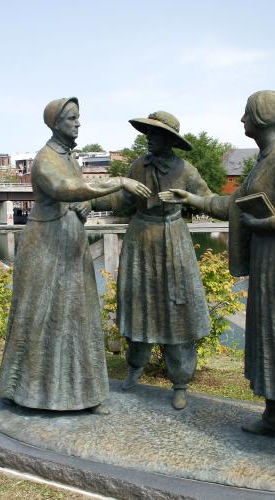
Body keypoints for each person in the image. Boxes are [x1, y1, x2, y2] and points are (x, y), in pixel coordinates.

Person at [159, 90, 275, 471]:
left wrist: (266, 222)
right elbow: (234, 204)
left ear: (260, 118)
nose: (241, 121)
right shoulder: (263, 160)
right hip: (270, 270)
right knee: (274, 349)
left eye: (245, 115)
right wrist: (192, 199)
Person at [0, 97, 150, 414]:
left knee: (78, 318)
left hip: (71, 243)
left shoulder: (70, 158)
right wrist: (118, 180)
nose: (78, 123)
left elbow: (81, 198)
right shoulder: (45, 159)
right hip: (46, 246)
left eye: (79, 118)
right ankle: (34, 393)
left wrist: (128, 198)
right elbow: (66, 189)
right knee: (42, 316)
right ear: (56, 123)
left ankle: (84, 394)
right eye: (71, 118)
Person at [91, 111, 212, 410]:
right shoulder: (137, 166)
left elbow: (207, 200)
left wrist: (194, 201)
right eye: (147, 132)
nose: (148, 138)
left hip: (173, 241)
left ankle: (180, 382)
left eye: (154, 133)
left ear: (169, 139)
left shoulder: (186, 170)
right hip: (140, 239)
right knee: (139, 306)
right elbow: (124, 201)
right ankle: (134, 370)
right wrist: (91, 199)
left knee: (177, 309)